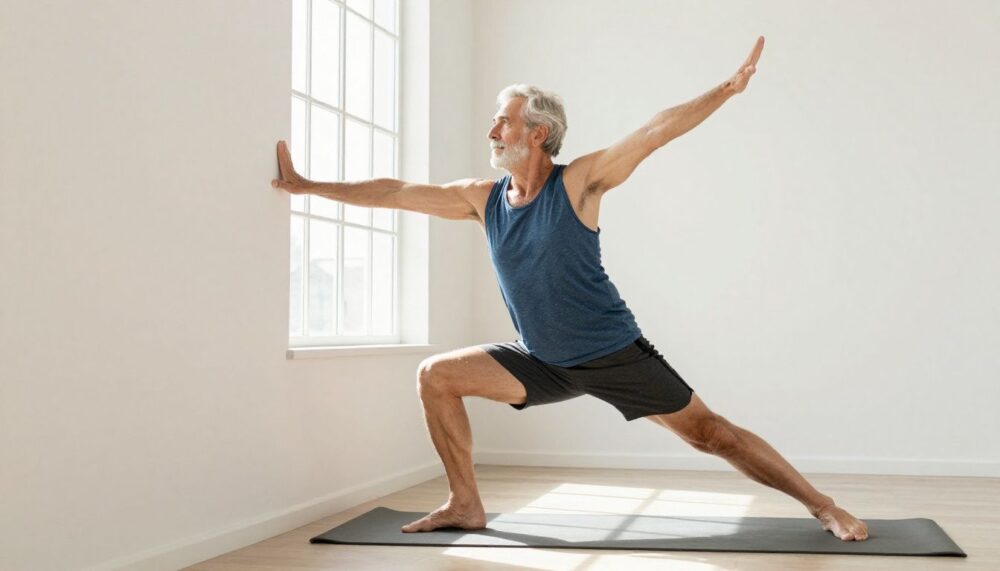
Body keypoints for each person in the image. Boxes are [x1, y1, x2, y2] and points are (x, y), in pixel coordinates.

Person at [272, 36, 870, 542]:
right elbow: (395, 191)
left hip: (613, 353)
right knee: (436, 376)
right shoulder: (483, 200)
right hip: (540, 361)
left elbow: (654, 132)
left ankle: (823, 505)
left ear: (537, 133)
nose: (492, 129)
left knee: (712, 435)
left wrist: (725, 90)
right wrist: (311, 186)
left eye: (502, 120)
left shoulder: (578, 183)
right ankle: (465, 504)